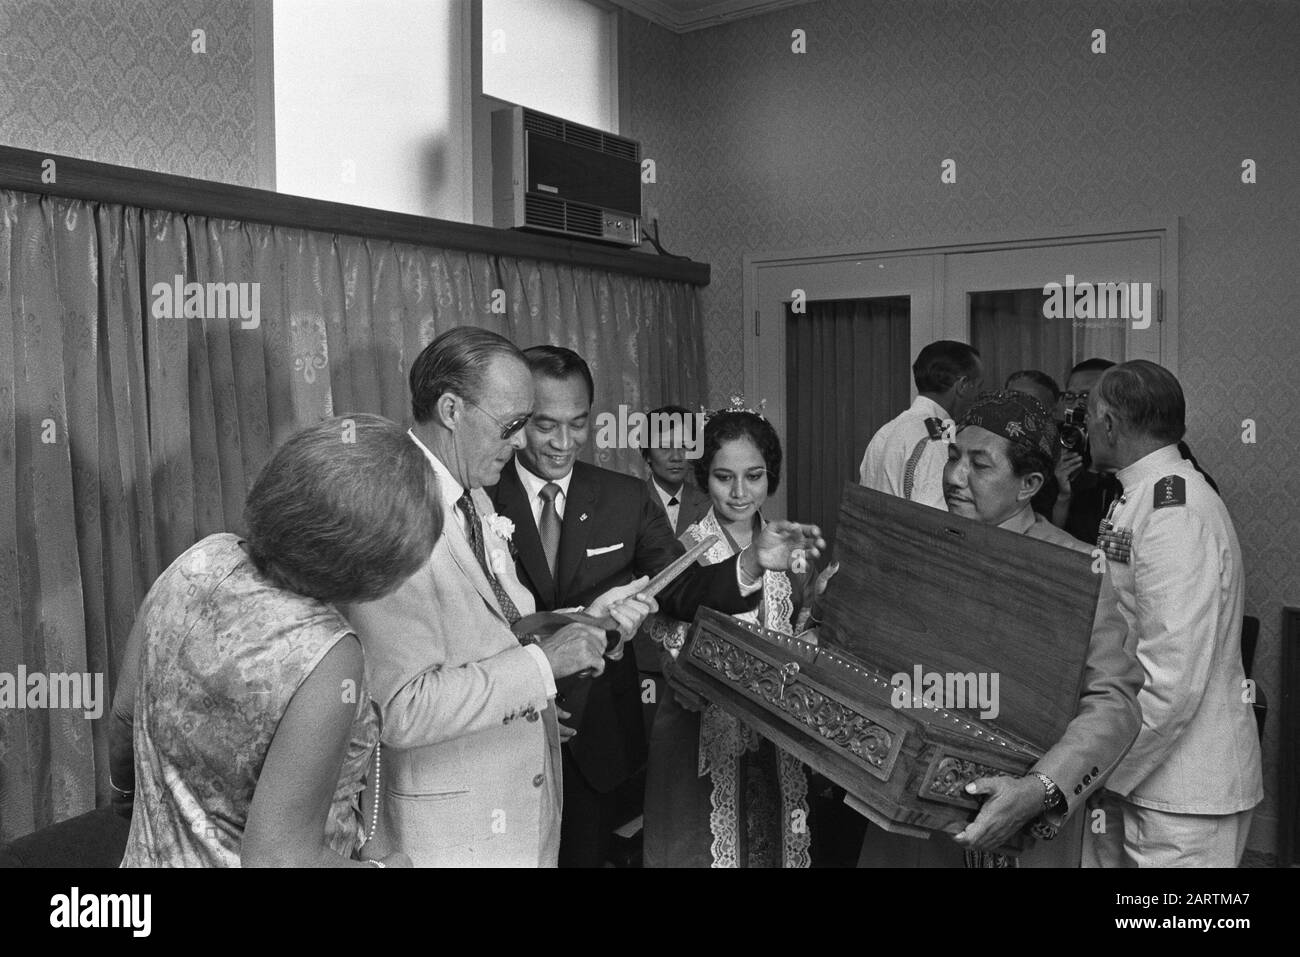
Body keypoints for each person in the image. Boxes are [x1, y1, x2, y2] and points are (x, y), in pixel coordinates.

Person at [488, 348, 825, 868]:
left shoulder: (622, 498)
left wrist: (752, 563)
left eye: (578, 424)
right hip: (500, 725)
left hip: (591, 737)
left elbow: (682, 588)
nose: (562, 442)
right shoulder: (481, 495)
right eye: (543, 425)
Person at [341, 327, 654, 867]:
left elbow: (497, 632)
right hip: (448, 832)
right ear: (450, 409)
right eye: (513, 425)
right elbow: (400, 709)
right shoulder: (390, 513)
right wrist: (545, 664)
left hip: (514, 806)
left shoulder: (474, 498)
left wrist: (578, 621)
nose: (521, 443)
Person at [114, 414, 440, 867]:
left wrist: (134, 806)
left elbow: (126, 715)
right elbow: (277, 860)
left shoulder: (201, 558)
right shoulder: (327, 655)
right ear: (376, 565)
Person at [858, 392, 1143, 868]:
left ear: (1029, 483)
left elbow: (1114, 702)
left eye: (979, 465)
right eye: (952, 458)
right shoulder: (915, 542)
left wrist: (1039, 789)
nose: (954, 477)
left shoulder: (1073, 568)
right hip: (909, 824)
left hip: (1022, 829)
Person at [1080, 361, 1262, 867]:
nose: (1085, 428)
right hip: (1147, 779)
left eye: (1089, 416)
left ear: (1111, 422)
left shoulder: (1174, 509)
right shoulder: (1145, 493)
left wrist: (1100, 770)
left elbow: (1172, 677)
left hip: (1181, 792)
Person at [643, 406, 837, 868]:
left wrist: (825, 609)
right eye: (723, 477)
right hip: (698, 731)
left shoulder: (789, 546)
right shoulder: (682, 549)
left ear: (771, 476)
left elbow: (806, 629)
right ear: (702, 477)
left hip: (777, 731)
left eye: (754, 476)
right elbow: (663, 636)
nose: (738, 492)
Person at [859, 341, 983, 509]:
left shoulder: (886, 431)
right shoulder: (941, 436)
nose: (978, 396)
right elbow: (936, 517)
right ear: (962, 385)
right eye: (978, 387)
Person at [641, 403, 711, 535]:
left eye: (684, 446)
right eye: (665, 447)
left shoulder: (707, 503)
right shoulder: (633, 504)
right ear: (648, 454)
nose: (676, 457)